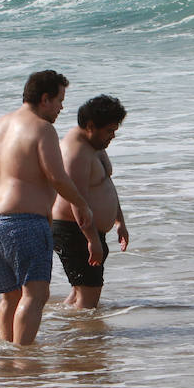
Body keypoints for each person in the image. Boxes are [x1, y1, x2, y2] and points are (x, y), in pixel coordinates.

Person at [0, 70, 98, 346]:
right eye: (60, 100)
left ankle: (9, 358)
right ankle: (23, 360)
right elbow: (57, 176)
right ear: (45, 98)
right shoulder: (41, 128)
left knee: (10, 297)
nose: (62, 107)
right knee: (35, 295)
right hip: (23, 222)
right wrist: (81, 203)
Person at [51, 95, 129, 310]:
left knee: (81, 292)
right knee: (88, 299)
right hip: (75, 230)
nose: (112, 136)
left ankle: (66, 331)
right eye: (110, 131)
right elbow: (78, 201)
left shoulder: (94, 143)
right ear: (91, 126)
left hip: (86, 230)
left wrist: (118, 221)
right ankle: (84, 342)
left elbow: (106, 185)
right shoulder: (76, 152)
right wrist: (92, 239)